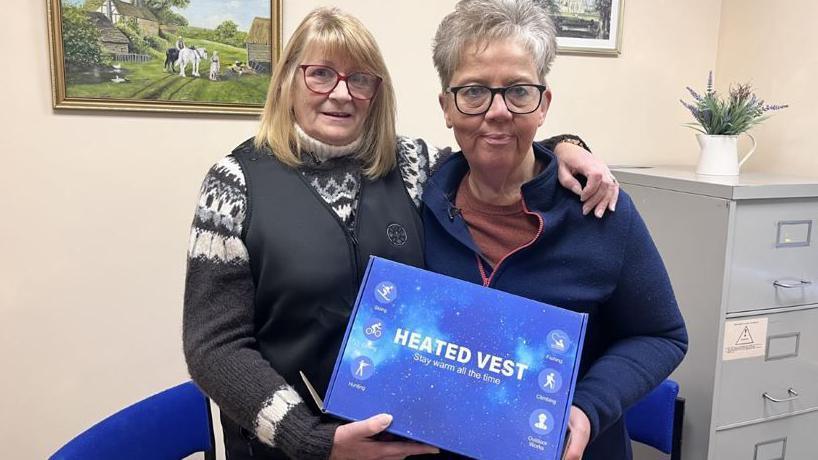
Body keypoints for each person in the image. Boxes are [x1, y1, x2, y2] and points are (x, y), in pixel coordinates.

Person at [183, 7, 619, 460]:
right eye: (321, 74)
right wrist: (311, 440)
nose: (341, 93)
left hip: (407, 444)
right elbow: (213, 347)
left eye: (360, 79)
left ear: (377, 92)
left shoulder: (413, 165)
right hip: (292, 448)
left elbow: (497, 148)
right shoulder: (234, 183)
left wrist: (566, 147)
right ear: (289, 80)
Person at [421, 1, 688, 459]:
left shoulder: (601, 211)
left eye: (519, 91)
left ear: (543, 103)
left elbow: (662, 335)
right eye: (473, 92)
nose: (498, 111)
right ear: (447, 106)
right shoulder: (416, 200)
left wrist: (587, 407)